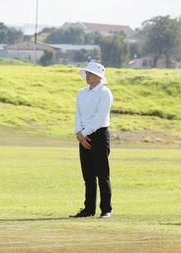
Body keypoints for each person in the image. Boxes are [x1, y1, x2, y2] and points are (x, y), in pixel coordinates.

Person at [70, 62, 113, 219]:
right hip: (83, 136)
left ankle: (106, 209)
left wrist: (84, 133)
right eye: (86, 73)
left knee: (102, 174)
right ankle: (88, 209)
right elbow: (78, 114)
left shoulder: (105, 93)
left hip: (100, 135)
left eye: (90, 73)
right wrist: (78, 134)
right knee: (88, 175)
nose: (87, 76)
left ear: (98, 77)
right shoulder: (81, 93)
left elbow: (99, 118)